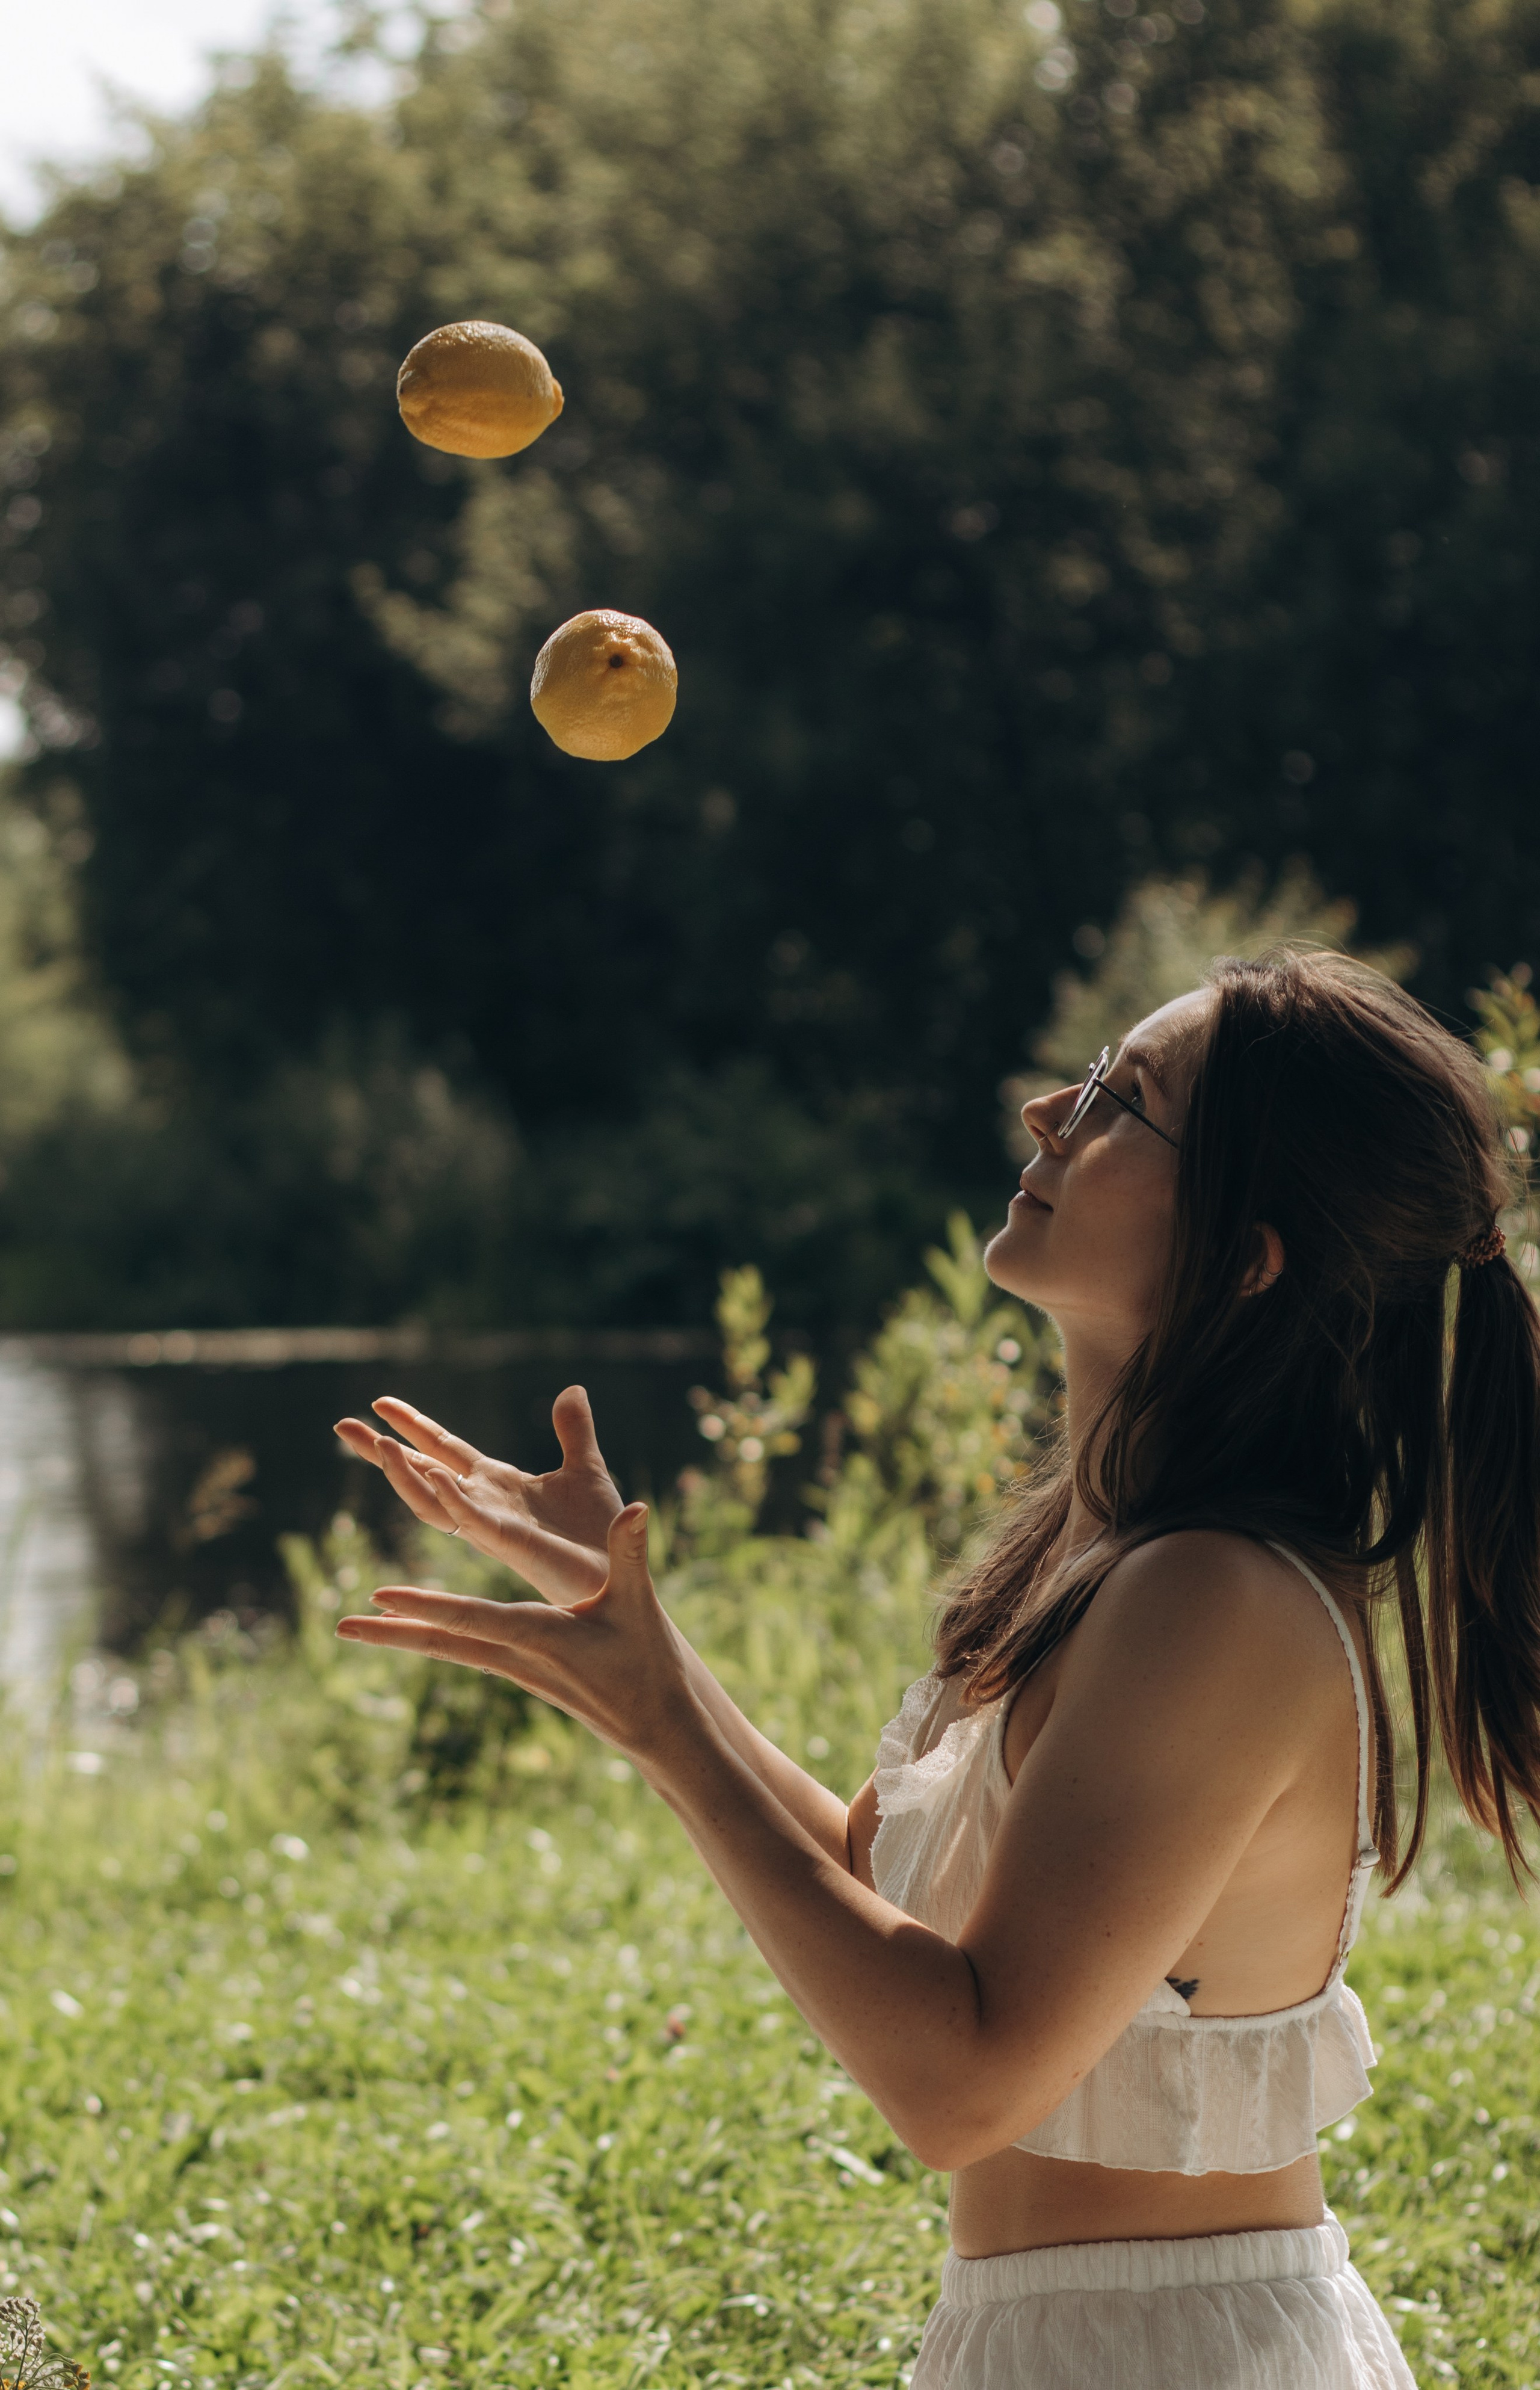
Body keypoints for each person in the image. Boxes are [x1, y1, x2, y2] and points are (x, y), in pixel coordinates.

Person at [334, 948, 1540, 2389]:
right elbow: (881, 1879)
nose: (1045, 1111)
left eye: (1119, 1102)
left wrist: (664, 1729)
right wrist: (634, 1637)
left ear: (1242, 1256)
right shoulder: (1104, 1550)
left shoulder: (1216, 1600)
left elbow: (962, 2083)